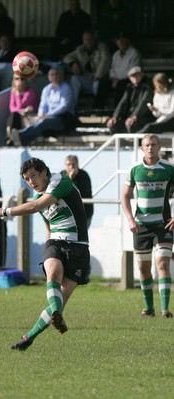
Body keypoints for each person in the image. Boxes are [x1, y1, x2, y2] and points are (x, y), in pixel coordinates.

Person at [0, 157, 90, 351]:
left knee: (59, 302)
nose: (31, 181)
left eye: (33, 175)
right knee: (54, 273)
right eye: (26, 178)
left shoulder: (61, 182)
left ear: (44, 173)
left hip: (79, 247)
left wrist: (5, 211)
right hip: (56, 243)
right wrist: (48, 247)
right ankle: (57, 314)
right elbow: (48, 224)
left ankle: (28, 339)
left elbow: (37, 207)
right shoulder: (38, 197)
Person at [122, 134, 174, 318]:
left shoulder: (169, 168)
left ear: (159, 147)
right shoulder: (135, 169)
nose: (150, 147)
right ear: (142, 148)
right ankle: (149, 308)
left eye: (153, 144)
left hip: (163, 225)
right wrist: (130, 219)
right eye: (147, 145)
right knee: (144, 268)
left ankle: (165, 309)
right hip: (141, 226)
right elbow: (125, 196)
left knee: (162, 263)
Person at [11, 68, 78, 146]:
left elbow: (64, 106)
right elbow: (43, 105)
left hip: (63, 118)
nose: (55, 76)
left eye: (57, 74)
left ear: (61, 76)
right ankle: (23, 143)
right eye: (52, 75)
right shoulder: (46, 89)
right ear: (49, 78)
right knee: (39, 122)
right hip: (48, 118)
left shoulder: (66, 88)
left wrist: (47, 115)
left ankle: (21, 134)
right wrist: (40, 116)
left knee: (43, 122)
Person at [63, 30, 111, 108]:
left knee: (98, 84)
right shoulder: (80, 49)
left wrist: (97, 76)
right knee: (74, 79)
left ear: (94, 38)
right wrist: (74, 63)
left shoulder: (102, 47)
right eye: (85, 39)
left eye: (90, 39)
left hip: (99, 79)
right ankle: (71, 107)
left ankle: (97, 107)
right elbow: (67, 57)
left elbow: (105, 61)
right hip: (87, 80)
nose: (88, 41)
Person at [106, 66, 154, 133]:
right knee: (113, 124)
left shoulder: (148, 87)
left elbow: (144, 103)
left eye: (137, 75)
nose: (135, 78)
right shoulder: (129, 88)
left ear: (142, 75)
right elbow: (122, 103)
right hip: (129, 115)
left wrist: (134, 116)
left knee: (131, 124)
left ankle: (136, 143)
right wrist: (115, 117)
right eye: (133, 76)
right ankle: (122, 143)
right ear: (129, 78)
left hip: (143, 116)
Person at [109, 32, 142, 106]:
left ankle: (116, 109)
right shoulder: (116, 54)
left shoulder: (134, 53)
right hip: (116, 80)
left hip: (129, 80)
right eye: (118, 40)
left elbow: (134, 71)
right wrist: (113, 79)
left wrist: (119, 81)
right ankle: (97, 108)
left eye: (122, 40)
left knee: (122, 84)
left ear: (127, 41)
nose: (120, 42)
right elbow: (112, 69)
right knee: (103, 83)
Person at [61, 154, 93, 228]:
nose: (71, 167)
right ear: (65, 166)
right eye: (68, 164)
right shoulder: (61, 175)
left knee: (80, 238)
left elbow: (79, 193)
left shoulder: (84, 176)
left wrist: (70, 179)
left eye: (73, 164)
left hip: (84, 213)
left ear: (77, 165)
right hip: (66, 214)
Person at [6, 75, 39, 145]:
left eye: (22, 79)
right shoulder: (13, 92)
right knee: (14, 114)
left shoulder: (30, 92)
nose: (19, 81)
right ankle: (12, 135)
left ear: (26, 81)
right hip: (20, 117)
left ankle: (12, 137)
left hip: (29, 118)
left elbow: (20, 105)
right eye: (17, 79)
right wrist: (21, 110)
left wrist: (17, 94)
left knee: (16, 114)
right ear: (13, 80)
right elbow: (12, 108)